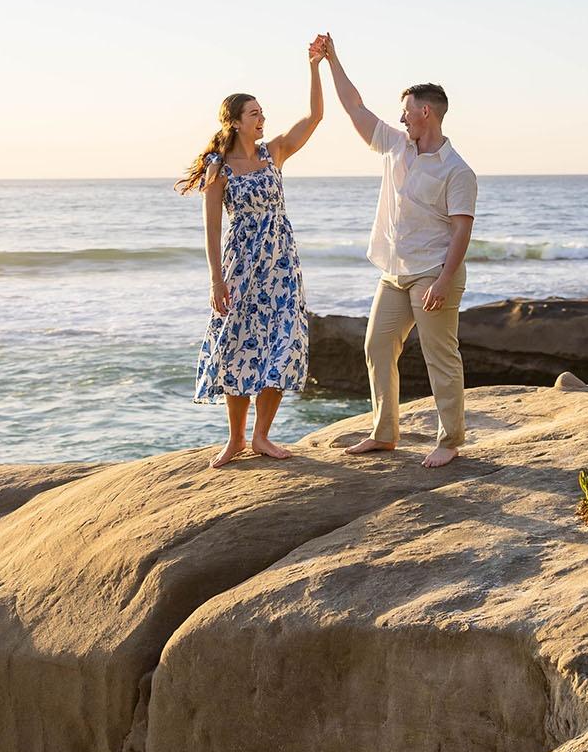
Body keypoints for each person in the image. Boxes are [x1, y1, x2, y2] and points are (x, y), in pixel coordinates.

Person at [315, 33, 477, 467]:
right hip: (394, 272)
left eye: (406, 110)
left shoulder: (457, 170)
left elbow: (462, 232)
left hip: (434, 274)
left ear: (425, 112)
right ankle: (385, 433)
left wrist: (443, 280)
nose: (400, 117)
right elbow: (354, 106)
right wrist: (332, 60)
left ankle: (450, 440)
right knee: (378, 345)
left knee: (440, 355)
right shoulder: (394, 145)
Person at [174, 45, 324, 468]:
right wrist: (215, 280)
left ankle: (262, 437)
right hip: (240, 265)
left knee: (284, 342)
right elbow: (212, 226)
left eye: (262, 112)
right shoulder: (217, 166)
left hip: (281, 264)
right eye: (255, 113)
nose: (263, 118)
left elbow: (314, 117)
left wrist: (315, 67)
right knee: (237, 345)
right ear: (235, 122)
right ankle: (236, 439)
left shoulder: (273, 152)